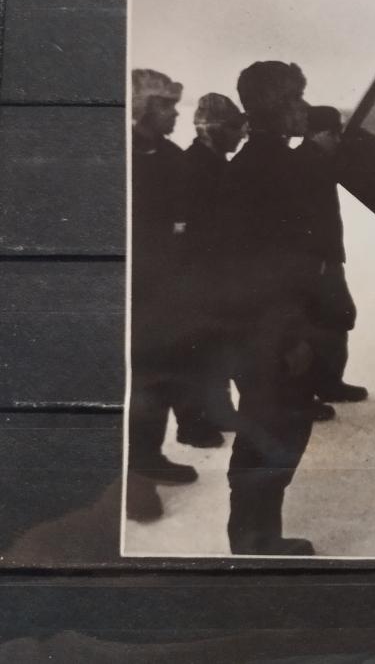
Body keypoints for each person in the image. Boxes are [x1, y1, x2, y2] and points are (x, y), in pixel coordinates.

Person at [217, 61, 322, 556]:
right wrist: (294, 334)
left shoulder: (246, 166)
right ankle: (256, 540)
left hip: (251, 326)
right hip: (273, 328)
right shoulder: (279, 170)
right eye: (297, 98)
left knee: (263, 421)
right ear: (278, 106)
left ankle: (255, 534)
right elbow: (278, 267)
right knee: (276, 424)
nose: (303, 108)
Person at [127, 69, 195, 522]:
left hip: (168, 290)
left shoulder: (171, 155)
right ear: (146, 108)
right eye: (168, 106)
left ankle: (148, 458)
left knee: (161, 378)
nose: (174, 114)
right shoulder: (121, 153)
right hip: (129, 293)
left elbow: (186, 217)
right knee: (135, 386)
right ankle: (132, 484)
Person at [174, 93, 248, 448]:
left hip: (219, 273)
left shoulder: (215, 163)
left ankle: (218, 411)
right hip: (197, 276)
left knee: (218, 344)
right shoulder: (194, 165)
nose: (241, 134)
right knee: (195, 349)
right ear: (216, 129)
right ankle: (191, 424)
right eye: (235, 127)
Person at [294, 105, 367, 405]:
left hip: (325, 257)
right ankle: (313, 390)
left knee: (336, 316)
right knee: (320, 321)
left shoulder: (315, 158)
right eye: (334, 133)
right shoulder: (307, 162)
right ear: (320, 133)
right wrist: (319, 260)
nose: (338, 140)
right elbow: (304, 219)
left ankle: (328, 384)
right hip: (316, 260)